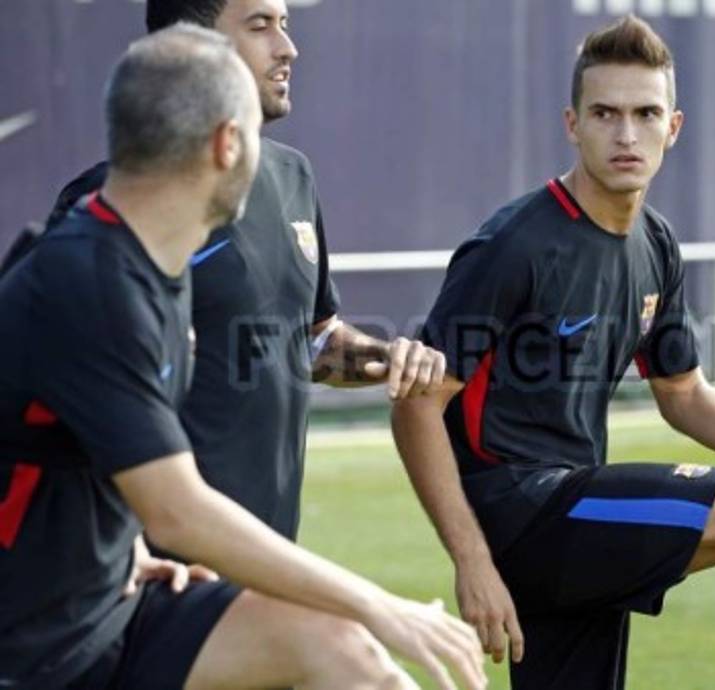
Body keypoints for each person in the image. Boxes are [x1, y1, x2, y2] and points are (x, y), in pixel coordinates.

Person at [391, 15, 715, 690]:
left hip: (577, 515)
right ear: (572, 124)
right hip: (520, 514)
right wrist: (472, 559)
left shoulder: (658, 245)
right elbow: (417, 406)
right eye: (605, 113)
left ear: (673, 127)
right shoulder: (514, 246)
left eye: (646, 114)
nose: (625, 134)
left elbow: (682, 393)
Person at [0, 26, 484, 690]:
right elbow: (177, 509)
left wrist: (130, 554)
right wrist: (380, 604)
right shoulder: (90, 282)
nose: (287, 47)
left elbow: (79, 448)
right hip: (31, 651)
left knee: (346, 654)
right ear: (229, 144)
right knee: (356, 627)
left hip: (112, 605)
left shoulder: (149, 264)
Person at [42, 0, 446, 547]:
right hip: (156, 573)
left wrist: (387, 359)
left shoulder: (292, 175)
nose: (287, 48)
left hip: (268, 553)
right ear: (194, 47)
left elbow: (310, 342)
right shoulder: (110, 206)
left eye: (286, 24)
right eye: (260, 26)